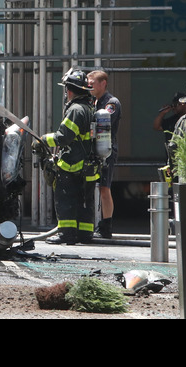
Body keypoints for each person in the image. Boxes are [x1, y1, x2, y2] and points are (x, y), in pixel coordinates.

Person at [34, 69, 99, 245]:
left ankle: (66, 234)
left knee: (66, 199)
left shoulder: (76, 110)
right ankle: (85, 234)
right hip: (89, 166)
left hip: (73, 164)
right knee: (85, 201)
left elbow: (63, 137)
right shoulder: (89, 107)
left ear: (69, 90)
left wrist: (42, 139)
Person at [87, 70, 121, 239]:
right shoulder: (93, 101)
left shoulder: (111, 103)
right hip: (94, 150)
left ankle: (106, 225)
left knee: (104, 188)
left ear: (103, 84)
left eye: (92, 83)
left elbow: (102, 122)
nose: (89, 86)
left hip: (106, 150)